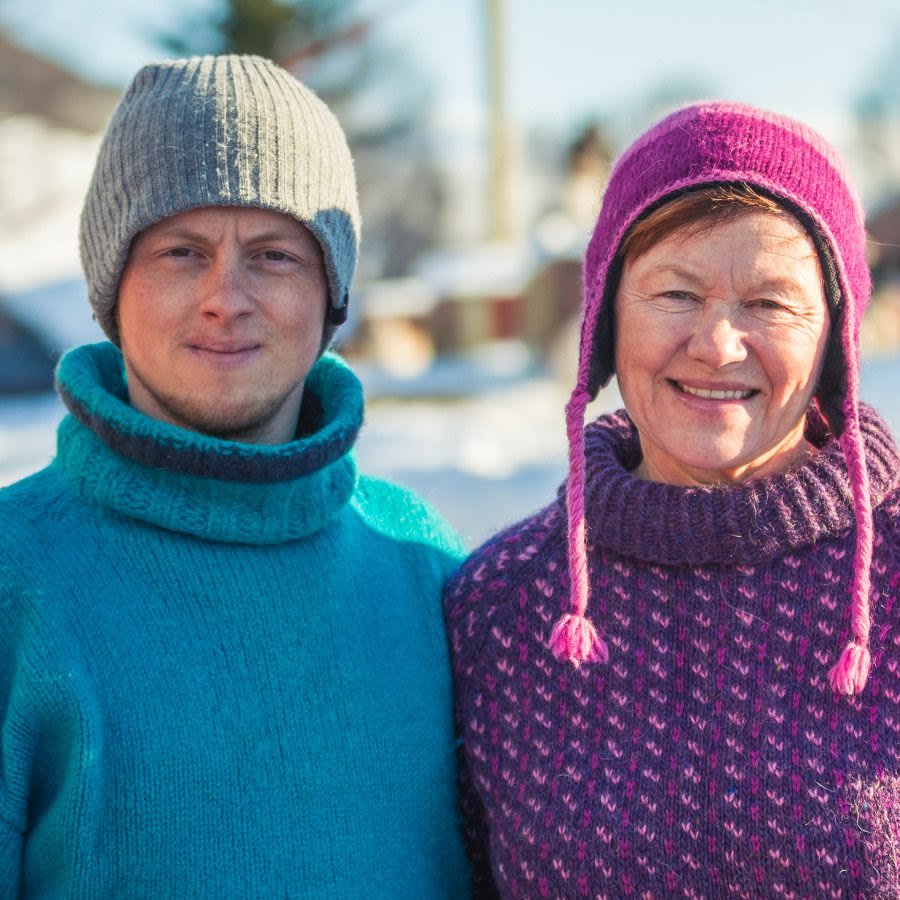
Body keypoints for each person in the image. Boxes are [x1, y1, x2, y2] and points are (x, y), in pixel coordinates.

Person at [0, 55, 471, 898]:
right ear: (113, 287)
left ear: (331, 293)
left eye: (274, 255)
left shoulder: (421, 565)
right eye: (181, 251)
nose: (226, 296)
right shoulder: (16, 573)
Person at [445, 101, 900, 897]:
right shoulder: (502, 605)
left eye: (769, 301)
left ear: (834, 337)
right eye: (675, 294)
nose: (718, 343)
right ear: (606, 320)